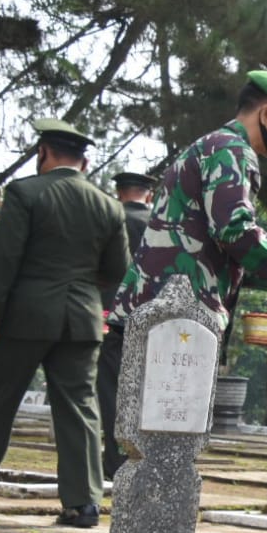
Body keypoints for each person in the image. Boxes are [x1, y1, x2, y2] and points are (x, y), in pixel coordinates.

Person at [107, 69, 267, 533]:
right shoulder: (231, 151)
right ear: (266, 114)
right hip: (174, 315)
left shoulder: (207, 146)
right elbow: (235, 229)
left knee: (153, 437)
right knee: (169, 436)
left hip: (156, 310)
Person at [0, 119, 128, 525]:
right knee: (79, 408)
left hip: (25, 317)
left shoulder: (25, 192)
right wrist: (79, 287)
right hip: (80, 320)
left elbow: (4, 259)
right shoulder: (108, 206)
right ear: (85, 162)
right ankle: (83, 504)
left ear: (42, 153)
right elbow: (118, 269)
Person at [97, 170, 157, 478]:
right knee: (148, 388)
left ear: (119, 192)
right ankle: (145, 458)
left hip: (108, 315)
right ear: (149, 195)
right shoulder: (161, 224)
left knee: (109, 388)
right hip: (151, 319)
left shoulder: (107, 216)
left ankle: (114, 460)